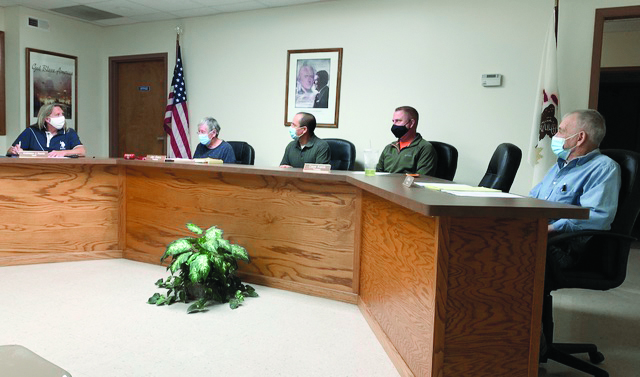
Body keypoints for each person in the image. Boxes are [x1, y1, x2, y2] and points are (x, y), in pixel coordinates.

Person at [530, 109, 621, 268]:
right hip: (543, 235)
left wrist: (550, 228)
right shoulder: (559, 166)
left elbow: (597, 216)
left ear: (580, 138)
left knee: (504, 251)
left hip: (563, 247)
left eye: (561, 131)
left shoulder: (604, 168)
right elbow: (533, 198)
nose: (555, 136)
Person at [376, 106, 438, 176]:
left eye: (398, 121)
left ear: (411, 123)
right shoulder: (389, 147)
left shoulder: (425, 148)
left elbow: (422, 179)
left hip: (406, 186)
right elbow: (377, 174)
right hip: (384, 185)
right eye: (393, 121)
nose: (394, 125)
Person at [7, 104, 86, 157]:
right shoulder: (31, 131)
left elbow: (81, 151)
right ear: (47, 119)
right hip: (34, 172)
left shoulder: (69, 132)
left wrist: (63, 152)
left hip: (63, 172)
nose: (62, 118)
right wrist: (15, 151)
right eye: (58, 115)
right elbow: (10, 150)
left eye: (62, 114)